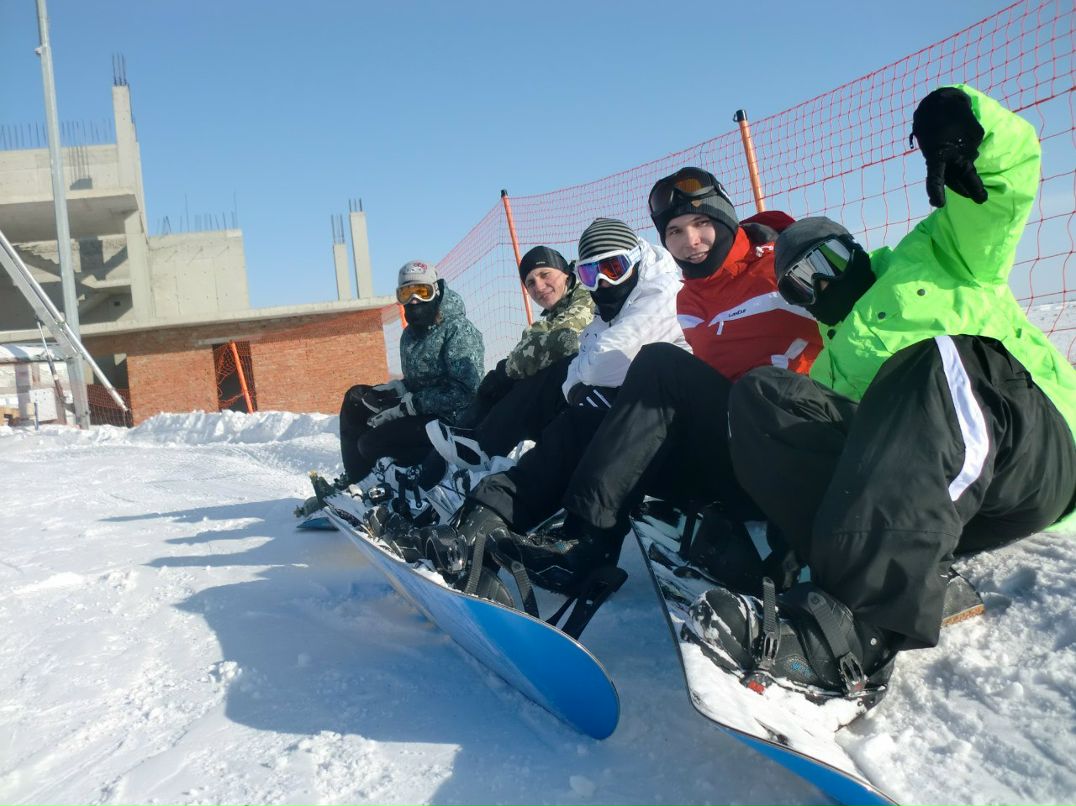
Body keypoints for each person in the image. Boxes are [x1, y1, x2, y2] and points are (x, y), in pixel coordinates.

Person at [688, 85, 1076, 706]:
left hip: (1032, 453)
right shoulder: (832, 366)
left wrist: (968, 130)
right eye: (801, 283)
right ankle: (838, 582)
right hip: (944, 507)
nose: (823, 280)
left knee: (940, 358)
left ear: (855, 247)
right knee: (765, 396)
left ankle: (860, 633)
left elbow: (1001, 194)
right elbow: (850, 470)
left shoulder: (942, 255)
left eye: (830, 257)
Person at [421, 217, 688, 594]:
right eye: (592, 273)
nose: (604, 283)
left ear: (638, 260)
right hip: (635, 417)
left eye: (613, 268)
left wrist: (579, 380)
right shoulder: (607, 307)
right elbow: (581, 372)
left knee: (600, 397)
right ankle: (488, 513)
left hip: (689, 431)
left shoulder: (660, 291)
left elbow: (597, 359)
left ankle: (585, 540)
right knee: (582, 412)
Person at [417, 245, 593, 487]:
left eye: (545, 275)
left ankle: (481, 447)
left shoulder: (587, 291)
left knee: (532, 376)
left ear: (565, 272)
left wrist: (506, 372)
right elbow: (536, 344)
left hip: (603, 395)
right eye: (530, 282)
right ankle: (436, 473)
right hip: (577, 395)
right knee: (497, 388)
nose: (538, 286)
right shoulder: (558, 310)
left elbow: (562, 340)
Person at [337, 259, 484, 486]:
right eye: (406, 293)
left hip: (451, 420)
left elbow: (466, 392)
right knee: (355, 399)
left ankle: (411, 480)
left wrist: (410, 406)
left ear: (436, 292)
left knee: (370, 444)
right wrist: (396, 389)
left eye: (422, 292)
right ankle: (354, 481)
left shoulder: (458, 329)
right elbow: (419, 380)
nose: (414, 300)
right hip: (419, 408)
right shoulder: (411, 334)